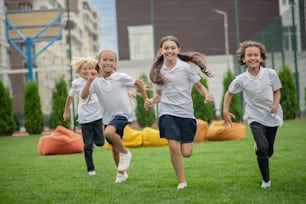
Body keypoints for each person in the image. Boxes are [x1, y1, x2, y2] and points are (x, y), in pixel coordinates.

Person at [145, 35, 214, 189]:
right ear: (161, 50)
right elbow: (160, 96)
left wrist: (207, 95)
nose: (169, 50)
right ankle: (182, 181)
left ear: (178, 50)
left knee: (187, 153)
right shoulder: (158, 70)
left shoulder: (185, 68)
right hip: (167, 112)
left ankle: (182, 141)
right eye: (166, 48)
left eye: (172, 48)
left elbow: (198, 86)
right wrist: (151, 100)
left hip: (186, 113)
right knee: (173, 147)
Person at [81, 49, 148, 183]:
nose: (108, 62)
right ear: (99, 62)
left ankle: (125, 152)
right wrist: (89, 81)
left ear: (115, 63)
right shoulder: (95, 81)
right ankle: (121, 173)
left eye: (111, 60)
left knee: (109, 132)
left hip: (123, 114)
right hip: (108, 118)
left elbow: (139, 83)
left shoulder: (120, 77)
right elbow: (83, 97)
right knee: (114, 148)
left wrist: (146, 99)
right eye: (104, 59)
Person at [223, 40, 283, 188]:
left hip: (272, 115)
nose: (253, 58)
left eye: (256, 55)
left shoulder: (270, 74)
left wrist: (275, 105)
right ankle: (266, 180)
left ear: (261, 58)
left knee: (268, 151)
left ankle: (260, 147)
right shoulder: (241, 79)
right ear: (243, 59)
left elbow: (277, 91)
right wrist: (225, 111)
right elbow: (229, 92)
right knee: (263, 148)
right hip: (254, 116)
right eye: (249, 55)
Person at [63, 57, 105, 176]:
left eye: (90, 68)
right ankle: (90, 168)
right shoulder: (76, 83)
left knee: (101, 142)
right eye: (84, 69)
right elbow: (69, 97)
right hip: (85, 118)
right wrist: (66, 112)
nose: (87, 71)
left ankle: (93, 143)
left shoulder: (97, 79)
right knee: (87, 145)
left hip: (97, 116)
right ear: (79, 70)